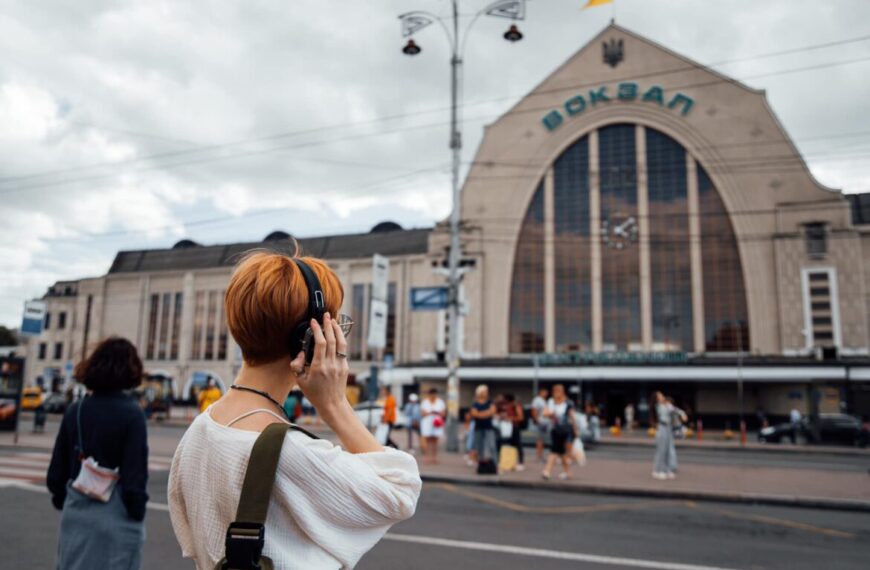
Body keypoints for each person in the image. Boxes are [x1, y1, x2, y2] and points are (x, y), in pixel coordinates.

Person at [168, 251, 421, 569]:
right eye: (336, 324)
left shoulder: (200, 430)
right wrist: (334, 404)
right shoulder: (289, 452)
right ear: (311, 337)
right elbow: (402, 489)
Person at [47, 337, 149, 570]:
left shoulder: (76, 410)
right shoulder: (133, 414)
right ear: (131, 370)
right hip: (117, 520)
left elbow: (56, 474)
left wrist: (66, 502)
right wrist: (136, 512)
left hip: (76, 516)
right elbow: (135, 476)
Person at [542, 384, 576, 480]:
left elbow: (572, 417)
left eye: (558, 391)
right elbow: (545, 413)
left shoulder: (568, 403)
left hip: (566, 431)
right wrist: (551, 414)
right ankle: (567, 473)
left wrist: (575, 430)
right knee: (560, 452)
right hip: (555, 430)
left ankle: (547, 471)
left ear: (562, 392)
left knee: (556, 451)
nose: (556, 393)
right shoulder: (551, 402)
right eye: (555, 391)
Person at [470, 385, 497, 470]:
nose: (486, 393)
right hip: (478, 427)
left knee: (492, 445)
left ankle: (494, 464)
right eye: (484, 392)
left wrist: (480, 414)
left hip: (488, 427)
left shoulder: (490, 402)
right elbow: (474, 413)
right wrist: (486, 413)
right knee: (479, 447)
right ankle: (481, 464)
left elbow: (492, 412)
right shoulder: (475, 403)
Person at [652, 391, 676, 480]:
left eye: (662, 395)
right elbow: (666, 412)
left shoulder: (666, 405)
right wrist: (668, 406)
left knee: (669, 449)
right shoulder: (659, 406)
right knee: (661, 450)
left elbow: (673, 411)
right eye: (660, 396)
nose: (663, 397)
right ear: (657, 399)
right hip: (662, 428)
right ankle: (659, 470)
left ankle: (668, 470)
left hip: (668, 428)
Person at [420, 388, 446, 464]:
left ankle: (434, 457)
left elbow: (443, 413)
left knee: (435, 441)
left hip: (437, 422)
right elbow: (422, 413)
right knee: (427, 440)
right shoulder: (425, 402)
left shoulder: (440, 402)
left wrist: (437, 413)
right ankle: (427, 457)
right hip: (427, 422)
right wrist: (429, 413)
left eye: (434, 394)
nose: (433, 396)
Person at [503, 393, 526, 471]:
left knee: (517, 444)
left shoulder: (515, 405)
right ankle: (510, 462)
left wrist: (510, 418)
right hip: (507, 427)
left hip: (514, 427)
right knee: (509, 445)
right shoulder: (507, 406)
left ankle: (521, 462)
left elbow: (520, 417)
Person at [531, 387, 550, 463]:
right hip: (541, 422)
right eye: (545, 392)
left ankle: (541, 456)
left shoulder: (543, 400)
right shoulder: (537, 400)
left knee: (542, 440)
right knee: (540, 440)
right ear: (541, 392)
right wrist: (537, 420)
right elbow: (534, 410)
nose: (546, 393)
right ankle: (539, 457)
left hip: (544, 422)